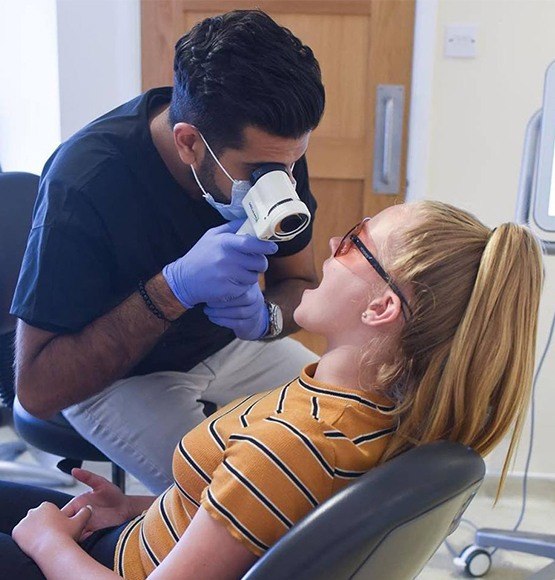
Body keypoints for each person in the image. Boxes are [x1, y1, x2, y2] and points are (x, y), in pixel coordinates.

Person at [0, 200, 543, 579]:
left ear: (382, 308)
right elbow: (251, 519)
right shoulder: (364, 414)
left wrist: (48, 543)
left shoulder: (293, 446)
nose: (332, 242)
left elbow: (264, 484)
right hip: (131, 538)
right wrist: (138, 510)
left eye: (355, 242)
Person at [10, 10, 325, 493]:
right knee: (242, 501)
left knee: (352, 437)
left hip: (228, 346)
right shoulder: (87, 182)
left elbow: (299, 283)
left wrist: (268, 319)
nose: (280, 181)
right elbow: (36, 390)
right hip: (116, 379)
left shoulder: (273, 152)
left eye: (293, 161)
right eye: (261, 170)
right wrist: (172, 289)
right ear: (189, 143)